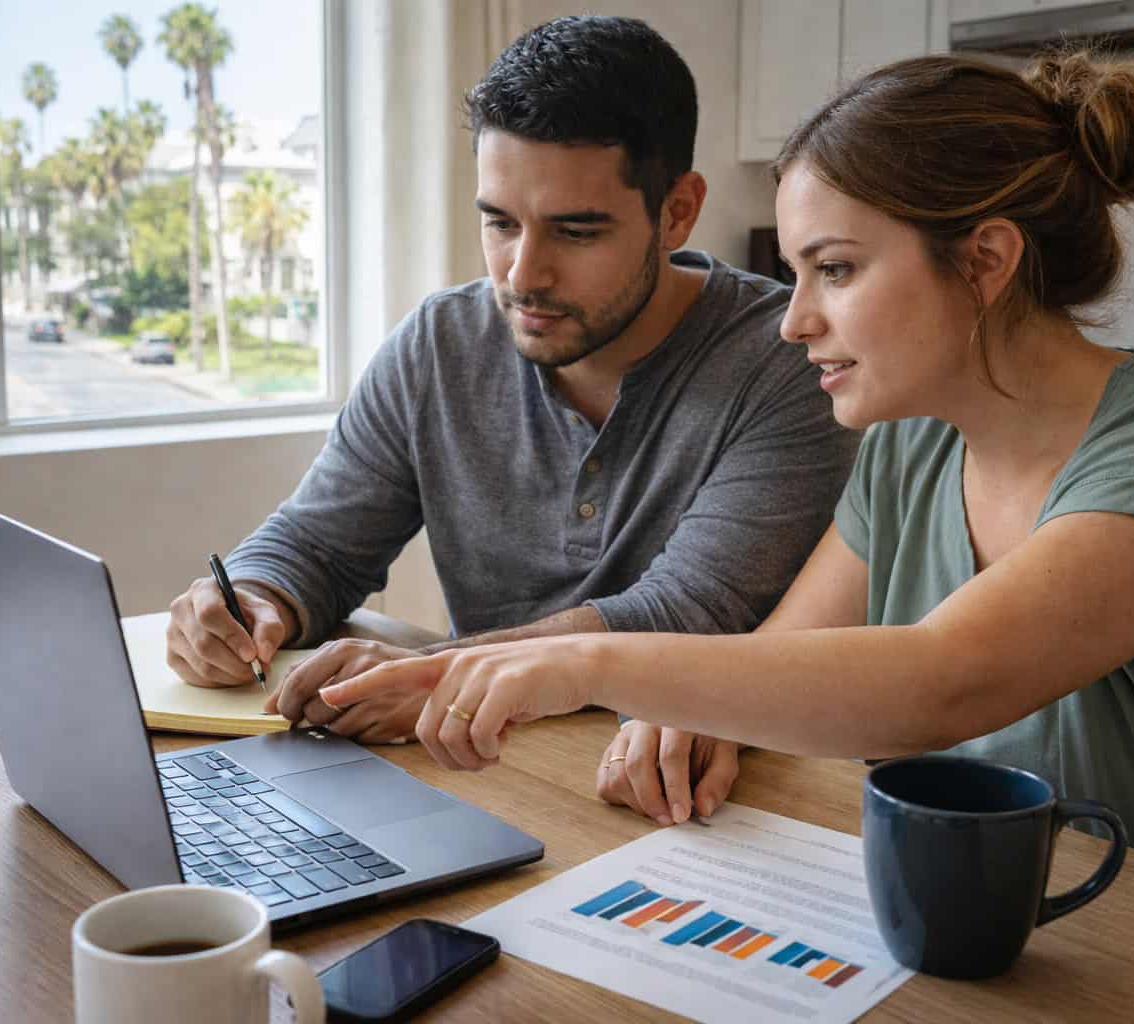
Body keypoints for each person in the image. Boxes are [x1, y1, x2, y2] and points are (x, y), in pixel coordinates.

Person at [315, 51, 1134, 895]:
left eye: (836, 270)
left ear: (986, 261)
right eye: (795, 272)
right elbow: (783, 656)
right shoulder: (916, 445)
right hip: (1002, 924)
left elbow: (939, 682)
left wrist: (574, 662)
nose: (794, 320)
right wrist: (704, 717)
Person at [165, 16, 858, 827]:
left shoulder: (786, 358)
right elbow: (317, 542)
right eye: (500, 222)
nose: (523, 274)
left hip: (698, 803)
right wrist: (252, 601)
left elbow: (690, 613)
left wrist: (437, 673)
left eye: (575, 229)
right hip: (478, 775)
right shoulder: (440, 343)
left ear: (677, 212)